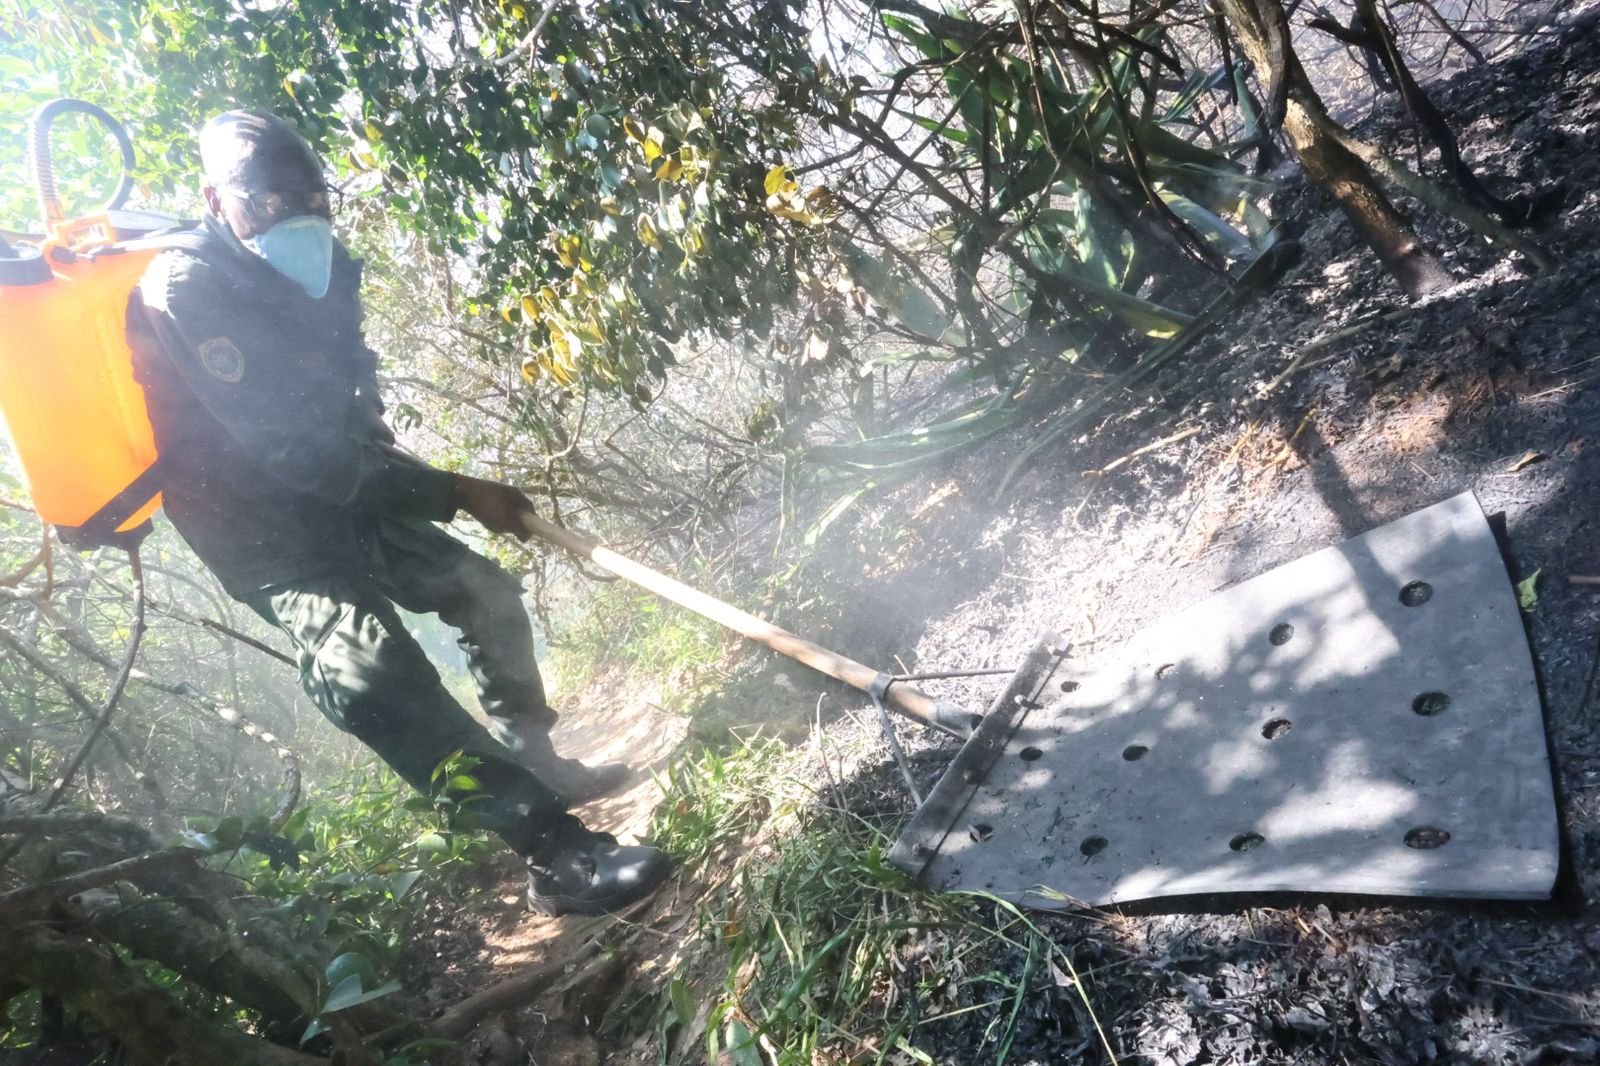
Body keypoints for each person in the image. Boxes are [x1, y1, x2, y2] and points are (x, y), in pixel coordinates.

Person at [125, 109, 671, 916]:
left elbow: (353, 366)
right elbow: (290, 454)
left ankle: (536, 754)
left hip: (347, 485)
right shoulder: (185, 286)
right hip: (260, 529)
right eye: (272, 204)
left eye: (312, 199)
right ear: (218, 201)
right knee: (372, 670)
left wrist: (379, 433)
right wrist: (452, 491)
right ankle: (556, 855)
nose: (298, 219)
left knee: (484, 591)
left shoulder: (325, 263)